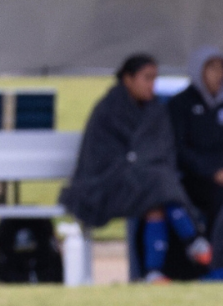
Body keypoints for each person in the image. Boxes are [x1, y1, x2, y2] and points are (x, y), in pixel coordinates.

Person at [60, 54, 212, 282]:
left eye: (155, 78)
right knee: (159, 184)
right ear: (128, 79)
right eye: (147, 78)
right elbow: (98, 156)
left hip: (142, 184)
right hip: (105, 185)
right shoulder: (108, 110)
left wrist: (142, 165)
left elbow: (162, 150)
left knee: (156, 197)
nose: (152, 84)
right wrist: (137, 165)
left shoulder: (155, 110)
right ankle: (192, 239)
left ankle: (153, 273)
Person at [170, 46, 223, 228]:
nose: (219, 74)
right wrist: (212, 172)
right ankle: (218, 248)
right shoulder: (180, 105)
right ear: (199, 70)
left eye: (222, 68)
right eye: (212, 67)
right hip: (194, 178)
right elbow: (180, 150)